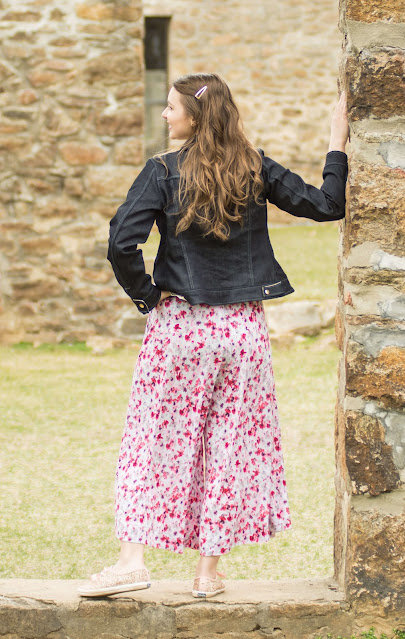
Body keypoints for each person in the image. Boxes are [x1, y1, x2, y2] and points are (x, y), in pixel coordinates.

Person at [77, 73, 349, 599]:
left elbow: (121, 243)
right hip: (242, 331)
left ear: (195, 116)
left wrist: (148, 296)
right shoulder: (255, 166)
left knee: (151, 440)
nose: (165, 115)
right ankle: (207, 574)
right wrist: (336, 142)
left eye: (171, 107)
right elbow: (327, 205)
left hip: (181, 326)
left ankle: (132, 563)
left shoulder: (161, 171)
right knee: (230, 445)